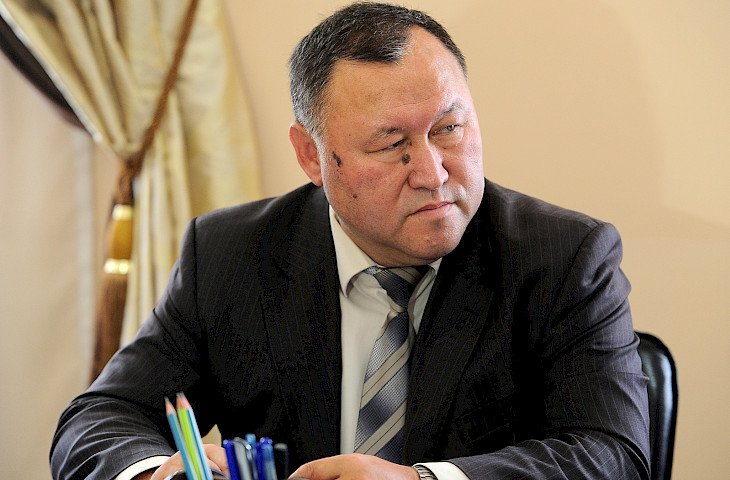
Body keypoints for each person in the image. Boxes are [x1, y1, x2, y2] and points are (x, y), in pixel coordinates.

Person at [51, 3, 650, 479]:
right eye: (391, 144)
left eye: (449, 128)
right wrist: (157, 473)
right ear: (311, 156)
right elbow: (102, 417)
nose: (433, 172)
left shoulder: (564, 257)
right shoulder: (231, 254)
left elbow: (613, 454)